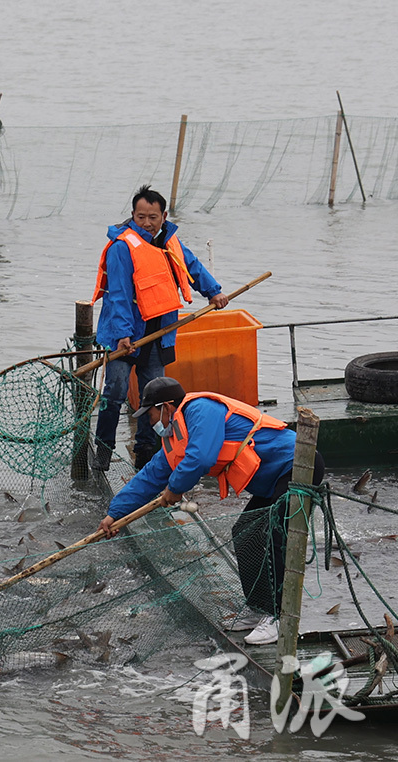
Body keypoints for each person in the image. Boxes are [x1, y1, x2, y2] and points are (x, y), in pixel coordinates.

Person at [96, 377, 325, 646]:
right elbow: (149, 477)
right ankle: (259, 609)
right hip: (271, 481)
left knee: (272, 535)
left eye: (151, 413)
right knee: (244, 534)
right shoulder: (174, 439)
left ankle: (278, 617)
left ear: (167, 406)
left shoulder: (201, 409)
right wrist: (115, 514)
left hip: (296, 468)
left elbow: (201, 457)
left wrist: (175, 488)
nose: (149, 421)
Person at [91, 185, 229, 472]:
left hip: (158, 335)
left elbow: (192, 267)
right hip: (125, 336)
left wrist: (213, 292)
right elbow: (117, 294)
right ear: (132, 215)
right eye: (141, 217)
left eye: (153, 217)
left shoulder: (171, 242)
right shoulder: (122, 247)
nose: (147, 223)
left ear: (163, 216)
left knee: (152, 397)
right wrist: (122, 335)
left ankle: (144, 453)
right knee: (114, 394)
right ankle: (103, 453)